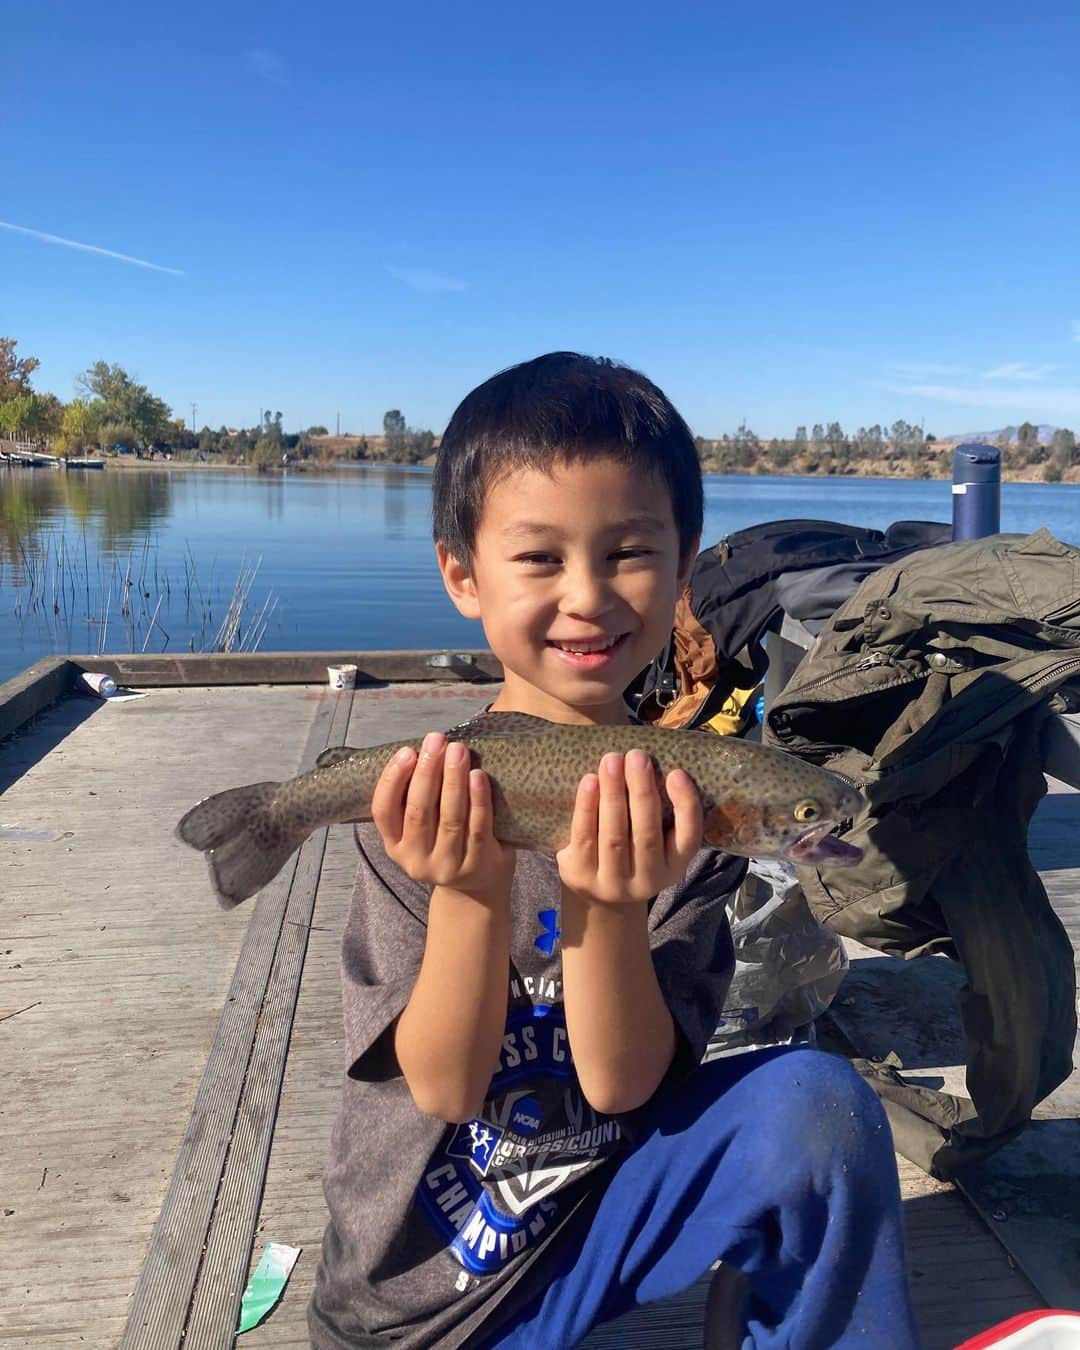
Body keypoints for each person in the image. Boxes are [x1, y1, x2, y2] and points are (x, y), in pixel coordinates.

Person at [309, 352, 919, 1349]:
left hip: (589, 1238)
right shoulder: (423, 808)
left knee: (819, 1102)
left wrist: (605, 907)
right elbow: (446, 1089)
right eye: (541, 558)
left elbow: (623, 1084)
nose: (587, 597)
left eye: (628, 552)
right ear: (462, 573)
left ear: (685, 571)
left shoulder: (694, 819)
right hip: (417, 1312)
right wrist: (468, 888)